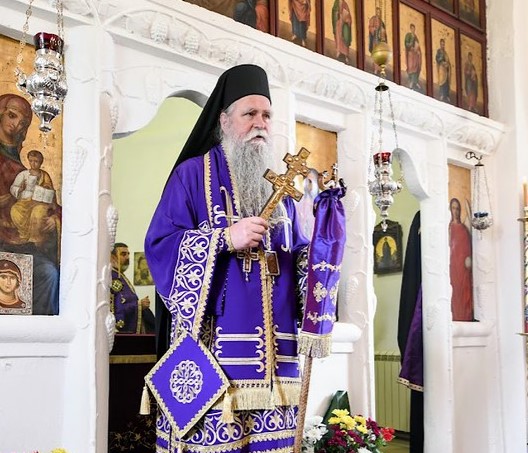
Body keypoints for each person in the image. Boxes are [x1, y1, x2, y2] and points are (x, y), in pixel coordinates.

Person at [145, 64, 311, 452]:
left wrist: (323, 258)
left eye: (266, 115)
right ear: (224, 120)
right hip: (215, 361)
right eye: (249, 113)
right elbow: (160, 245)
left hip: (278, 367)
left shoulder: (283, 187)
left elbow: (300, 257)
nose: (260, 123)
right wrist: (224, 238)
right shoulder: (192, 175)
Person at [10, 150, 60, 248]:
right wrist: (20, 189)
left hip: (40, 202)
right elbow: (13, 187)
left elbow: (50, 190)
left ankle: (36, 238)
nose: (33, 164)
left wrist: (46, 188)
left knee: (38, 212)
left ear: (40, 162)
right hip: (24, 201)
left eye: (36, 161)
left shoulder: (44, 175)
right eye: (31, 161)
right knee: (15, 210)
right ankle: (24, 235)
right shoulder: (23, 174)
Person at [0, 93, 33, 242]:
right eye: (12, 116)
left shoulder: (23, 167)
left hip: (17, 228)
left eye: (23, 123)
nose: (16, 124)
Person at [111, 243, 155, 334]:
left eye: (128, 254)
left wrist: (140, 305)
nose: (127, 257)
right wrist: (139, 305)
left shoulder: (120, 276)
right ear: (112, 257)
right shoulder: (112, 277)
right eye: (123, 254)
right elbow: (114, 309)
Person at [448, 198, 473, 321]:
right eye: (453, 208)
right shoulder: (449, 228)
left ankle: (465, 317)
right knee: (455, 292)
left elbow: (467, 246)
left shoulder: (463, 228)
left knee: (464, 292)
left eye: (458, 208)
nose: (456, 211)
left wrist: (468, 259)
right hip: (453, 267)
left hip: (463, 267)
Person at [331, 0, 352, 64]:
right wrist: (337, 14)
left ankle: (345, 55)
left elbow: (349, 16)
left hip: (344, 25)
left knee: (345, 38)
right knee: (338, 38)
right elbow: (333, 12)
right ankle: (338, 52)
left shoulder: (345, 4)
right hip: (338, 24)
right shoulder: (336, 3)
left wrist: (347, 18)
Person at [404, 23, 422, 91]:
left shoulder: (416, 37)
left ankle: (415, 82)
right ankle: (411, 82)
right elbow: (406, 43)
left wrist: (418, 51)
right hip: (411, 54)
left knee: (416, 67)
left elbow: (418, 46)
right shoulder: (408, 35)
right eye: (412, 28)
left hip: (415, 54)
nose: (413, 30)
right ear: (410, 29)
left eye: (414, 29)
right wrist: (411, 46)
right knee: (411, 67)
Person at [435, 38, 451, 103]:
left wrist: (448, 65)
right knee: (442, 82)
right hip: (441, 69)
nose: (443, 46)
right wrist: (443, 62)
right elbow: (437, 59)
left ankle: (446, 95)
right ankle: (442, 94)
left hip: (446, 70)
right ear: (440, 44)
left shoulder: (445, 53)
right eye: (442, 44)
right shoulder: (439, 51)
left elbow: (448, 61)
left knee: (446, 83)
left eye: (443, 44)